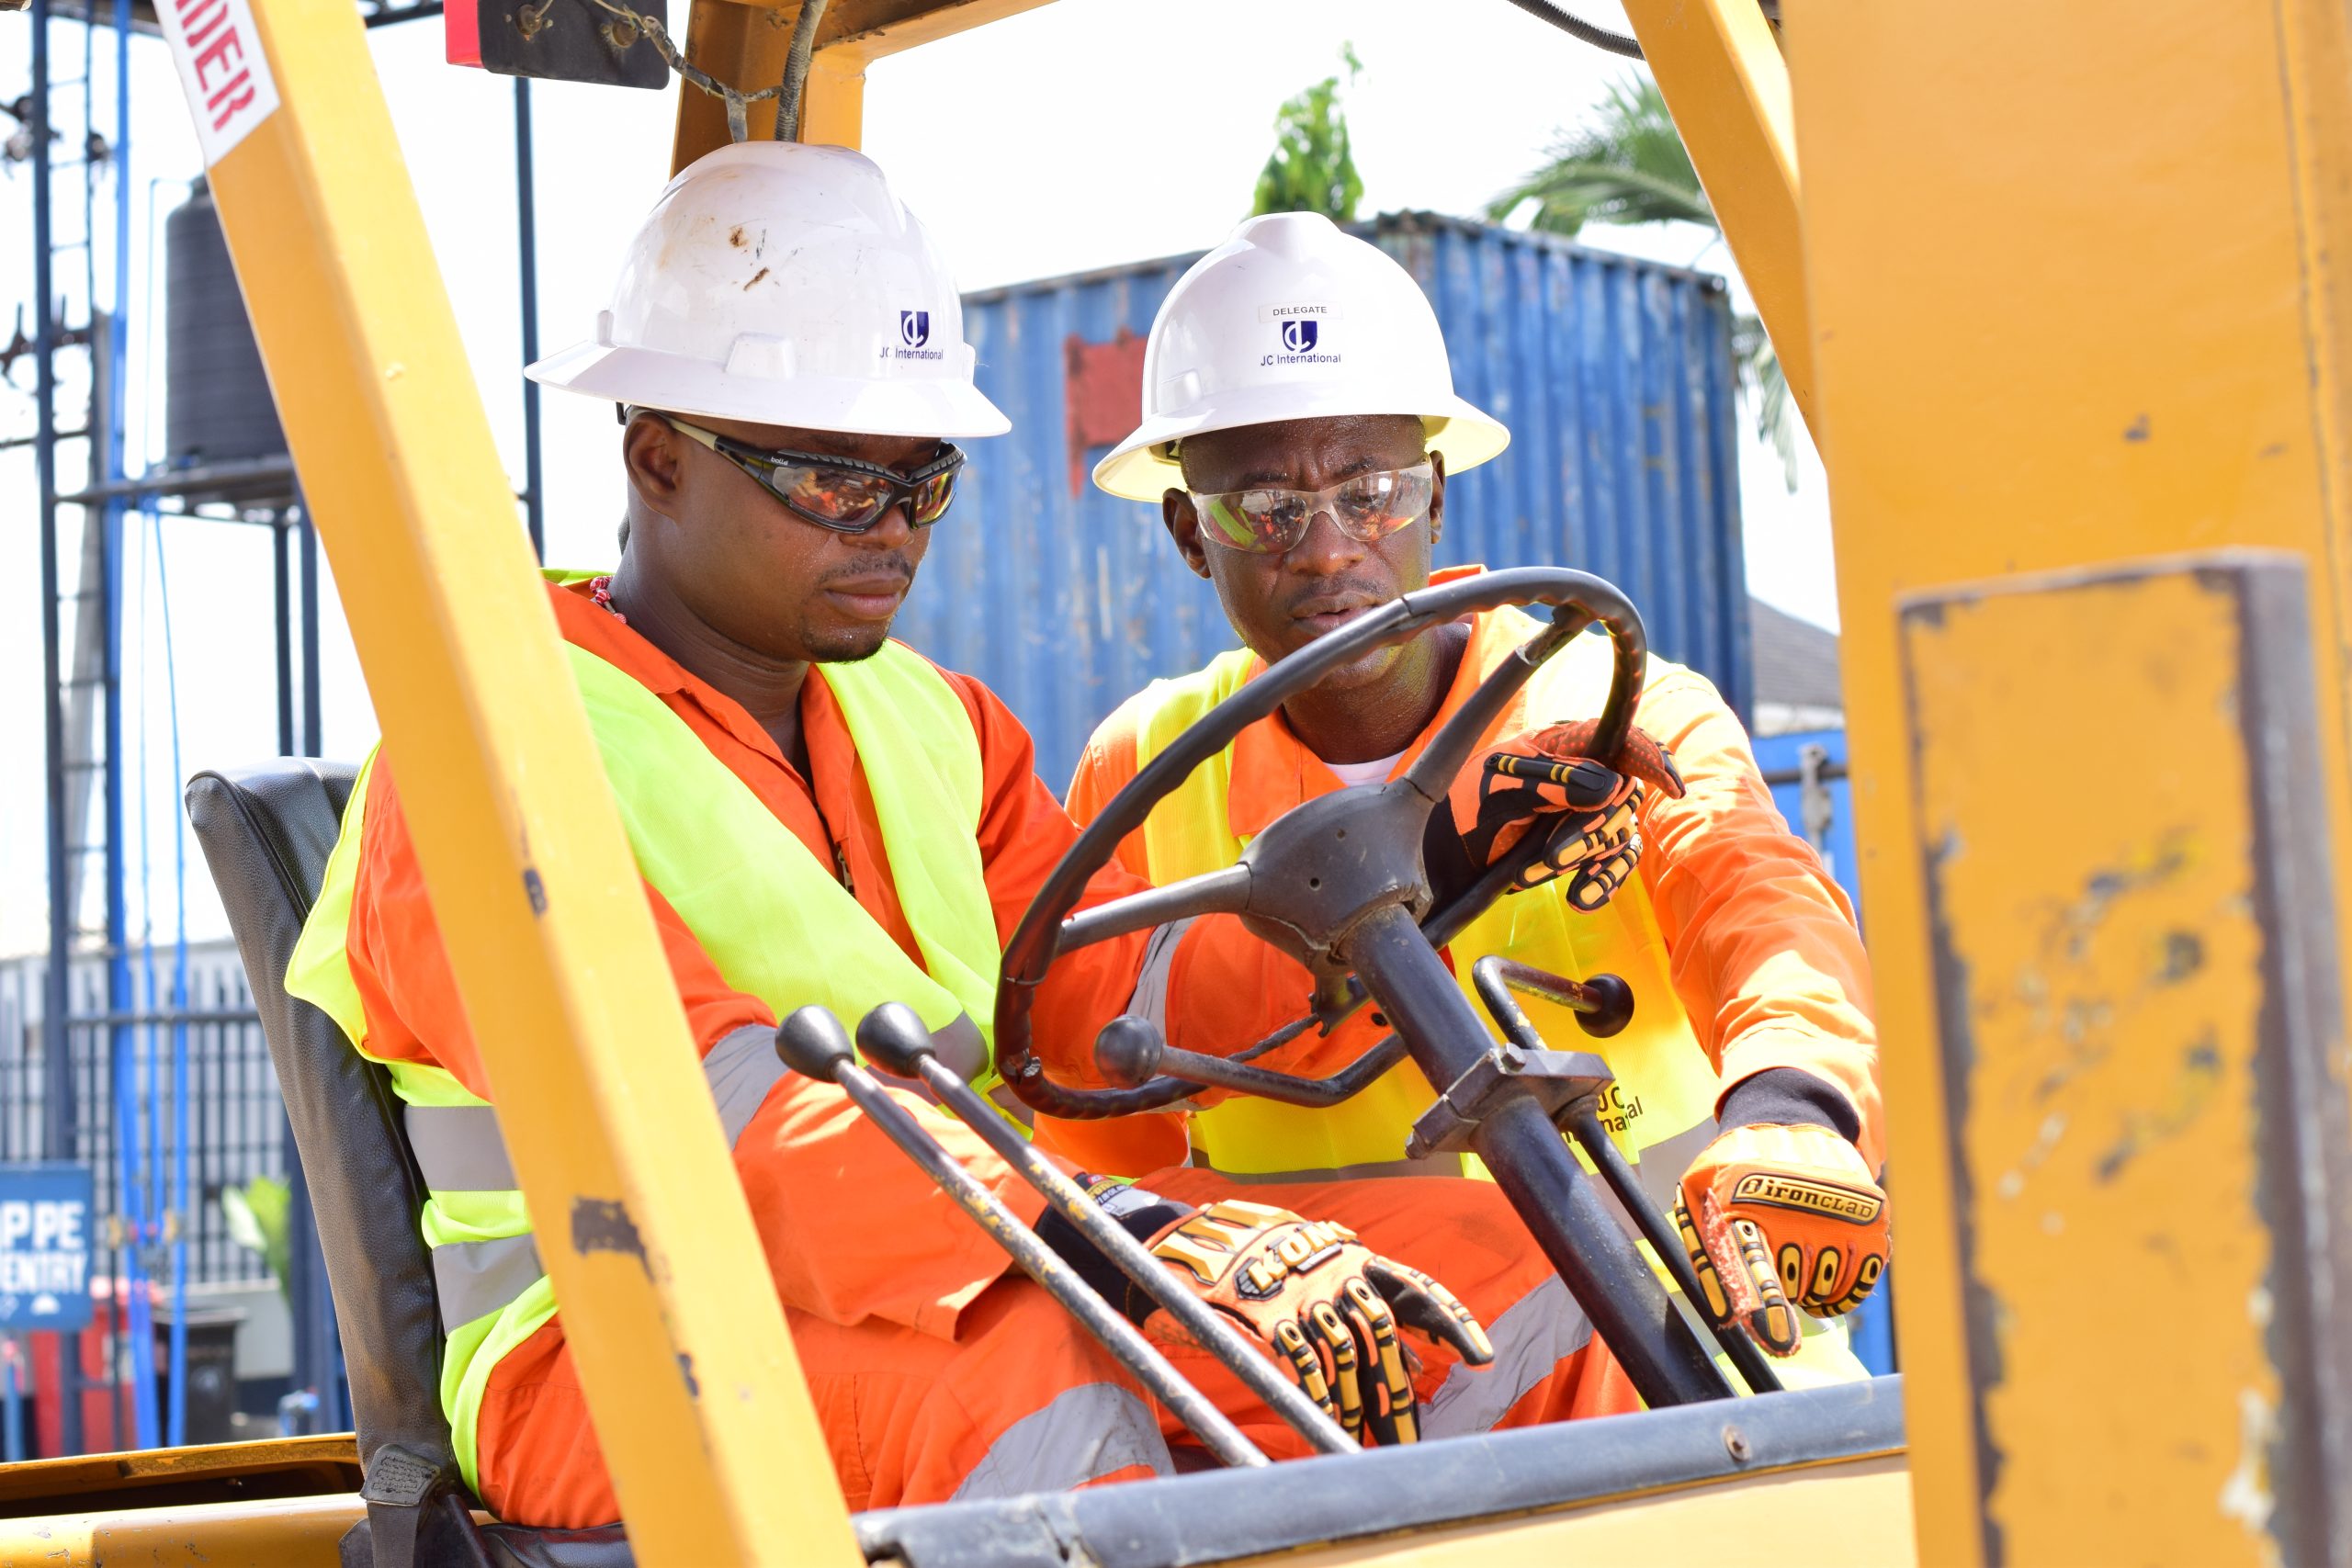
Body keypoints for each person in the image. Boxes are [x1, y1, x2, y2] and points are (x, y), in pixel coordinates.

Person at [282, 146, 1640, 1530]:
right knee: (1039, 1391)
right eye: (835, 483)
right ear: (658, 461)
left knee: (1518, 1270)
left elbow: (1108, 1007)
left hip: (971, 1254)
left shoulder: (939, 724)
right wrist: (1109, 1234)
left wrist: (1443, 861)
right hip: (615, 1335)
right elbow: (700, 1121)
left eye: (921, 480)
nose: (893, 533)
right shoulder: (479, 760)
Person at [1056, 211, 1889, 1376]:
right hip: (1349, 1421)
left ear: (1435, 494)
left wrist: (1794, 1107)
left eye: (1371, 488)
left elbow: (1760, 906)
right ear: (1191, 533)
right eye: (1267, 507)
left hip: (1694, 1379)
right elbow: (1097, 1117)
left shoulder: (1616, 704)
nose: (1330, 547)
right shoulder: (1143, 771)